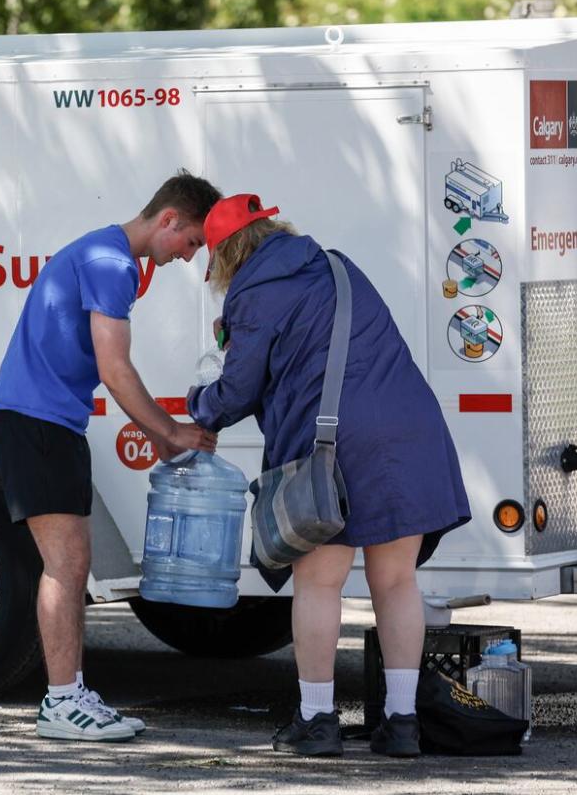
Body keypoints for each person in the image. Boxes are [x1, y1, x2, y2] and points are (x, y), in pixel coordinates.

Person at [187, 194, 470, 758]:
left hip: (336, 445)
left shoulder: (251, 293)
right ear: (274, 229)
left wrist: (200, 403)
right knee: (396, 581)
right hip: (409, 431)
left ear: (224, 256)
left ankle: (318, 720)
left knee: (319, 581)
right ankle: (402, 722)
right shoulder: (338, 265)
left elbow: (237, 390)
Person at [0, 170, 222, 743]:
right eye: (191, 242)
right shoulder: (112, 264)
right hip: (36, 422)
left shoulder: (110, 255)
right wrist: (173, 431)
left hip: (49, 420)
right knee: (65, 567)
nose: (189, 258)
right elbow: (115, 369)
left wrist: (163, 435)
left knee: (72, 562)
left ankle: (71, 694)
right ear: (168, 219)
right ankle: (62, 703)